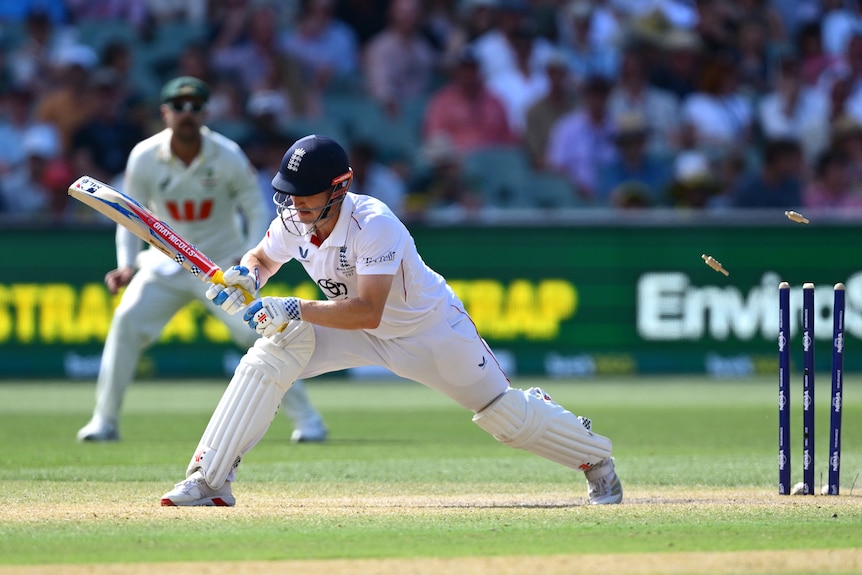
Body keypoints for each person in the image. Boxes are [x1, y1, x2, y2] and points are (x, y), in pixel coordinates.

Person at [159, 134, 623, 507]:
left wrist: (294, 307)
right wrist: (248, 276)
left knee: (504, 416)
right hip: (356, 335)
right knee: (273, 354)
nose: (294, 206)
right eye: (289, 195)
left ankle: (594, 458)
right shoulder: (294, 220)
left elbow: (368, 309)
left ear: (338, 189)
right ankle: (210, 479)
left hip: (429, 332)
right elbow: (262, 256)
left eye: (305, 197)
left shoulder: (374, 223)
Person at [76, 76, 328, 444]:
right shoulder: (145, 156)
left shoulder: (226, 154)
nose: (187, 114)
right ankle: (104, 421)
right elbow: (128, 216)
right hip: (164, 263)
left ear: (206, 112)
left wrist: (247, 257)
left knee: (257, 331)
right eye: (179, 106)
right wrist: (127, 264)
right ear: (165, 112)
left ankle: (309, 421)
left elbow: (255, 207)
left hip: (218, 266)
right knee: (126, 322)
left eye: (195, 106)